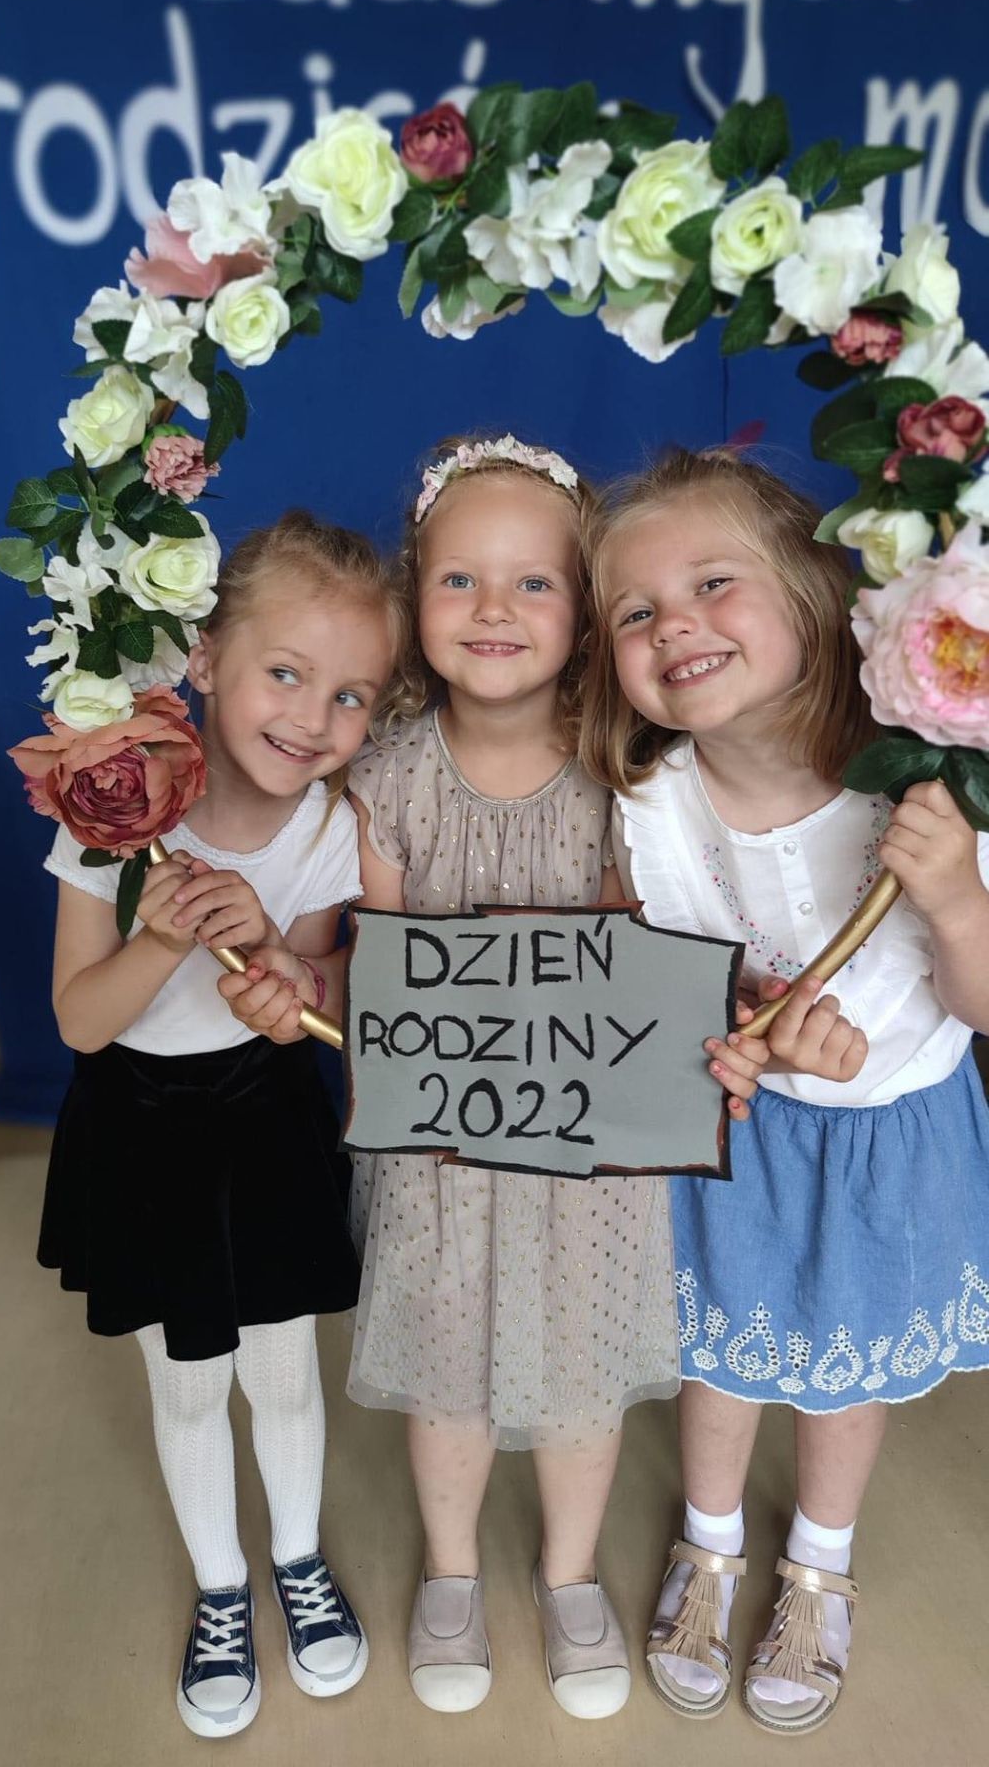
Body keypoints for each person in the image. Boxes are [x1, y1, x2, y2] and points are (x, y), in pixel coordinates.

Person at [228, 434, 760, 1723]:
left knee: (581, 1382)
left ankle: (571, 1577)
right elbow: (369, 965)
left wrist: (716, 1039)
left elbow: (651, 969)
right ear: (417, 599)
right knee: (446, 1375)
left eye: (534, 583)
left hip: (591, 1164)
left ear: (584, 612)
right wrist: (298, 985)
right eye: (460, 580)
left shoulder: (632, 780)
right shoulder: (385, 782)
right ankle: (452, 1574)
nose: (495, 609)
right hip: (439, 1158)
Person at [582, 445, 989, 1734]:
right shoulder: (650, 800)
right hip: (743, 1133)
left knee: (842, 1365)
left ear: (815, 591)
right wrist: (733, 1031)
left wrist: (955, 898)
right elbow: (645, 976)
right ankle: (708, 1542)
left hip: (891, 1138)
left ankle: (819, 1562)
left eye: (713, 584)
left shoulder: (931, 784)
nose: (675, 625)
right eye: (636, 611)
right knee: (726, 1346)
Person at [37, 511, 402, 1737]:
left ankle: (298, 1557)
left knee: (285, 1375)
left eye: (350, 695)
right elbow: (81, 1022)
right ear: (203, 659)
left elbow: (311, 999)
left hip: (266, 1121)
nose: (313, 718)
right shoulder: (110, 809)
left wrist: (283, 967)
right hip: (142, 1131)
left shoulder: (334, 829)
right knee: (190, 1385)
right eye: (284, 673)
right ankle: (222, 1586)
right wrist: (161, 935)